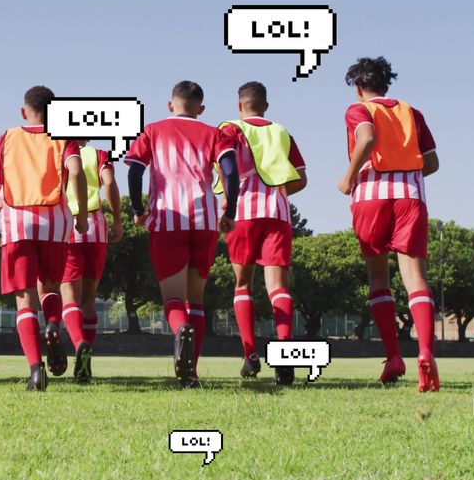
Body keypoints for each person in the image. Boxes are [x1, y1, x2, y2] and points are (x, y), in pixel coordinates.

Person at [123, 81, 239, 388]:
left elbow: (134, 170)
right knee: (196, 300)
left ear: (170, 104)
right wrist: (229, 212)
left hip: (167, 219)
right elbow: (230, 173)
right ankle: (193, 372)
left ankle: (180, 329)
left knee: (173, 299)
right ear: (200, 108)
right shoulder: (215, 133)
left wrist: (137, 208)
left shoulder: (152, 130)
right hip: (204, 220)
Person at [337, 57, 441, 392]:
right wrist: (405, 174)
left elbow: (366, 138)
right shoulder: (413, 112)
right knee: (416, 278)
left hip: (370, 197)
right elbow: (433, 162)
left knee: (378, 278)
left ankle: (393, 357)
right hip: (410, 196)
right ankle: (426, 352)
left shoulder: (359, 110)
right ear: (387, 84)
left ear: (358, 88)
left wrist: (348, 177)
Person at [0, 86, 88, 391]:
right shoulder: (64, 137)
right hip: (55, 221)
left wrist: (12, 210)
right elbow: (77, 173)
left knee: (24, 299)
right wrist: (79, 216)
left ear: (23, 111)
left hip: (17, 222)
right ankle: (53, 324)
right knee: (50, 287)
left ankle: (35, 370)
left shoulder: (6, 138)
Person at [215, 81, 308, 386]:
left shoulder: (229, 130)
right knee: (278, 288)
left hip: (242, 214)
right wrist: (278, 193)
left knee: (243, 284)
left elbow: (223, 171)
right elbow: (301, 178)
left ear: (239, 105)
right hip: (277, 214)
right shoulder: (282, 132)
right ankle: (283, 352)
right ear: (265, 105)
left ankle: (250, 354)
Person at [59, 138, 123, 383]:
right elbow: (110, 183)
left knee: (69, 298)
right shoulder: (100, 155)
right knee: (88, 299)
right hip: (97, 229)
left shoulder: (61, 153)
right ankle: (87, 358)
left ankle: (79, 344)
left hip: (68, 226)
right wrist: (117, 219)